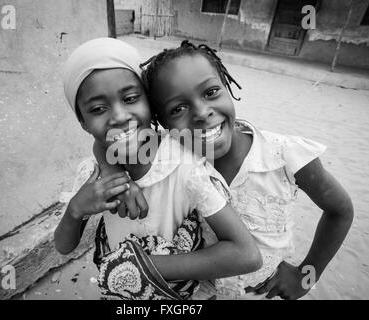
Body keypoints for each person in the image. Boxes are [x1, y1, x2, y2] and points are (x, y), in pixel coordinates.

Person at [101, 40, 354, 300]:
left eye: (210, 92)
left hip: (265, 292)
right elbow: (105, 143)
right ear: (161, 122)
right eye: (178, 109)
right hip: (200, 291)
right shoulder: (172, 150)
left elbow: (340, 210)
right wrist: (112, 174)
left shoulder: (282, 154)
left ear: (226, 86)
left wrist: (306, 275)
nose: (201, 112)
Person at [54, 38, 262, 300]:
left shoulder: (184, 166)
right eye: (98, 109)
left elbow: (247, 255)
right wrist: (75, 210)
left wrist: (143, 267)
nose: (119, 116)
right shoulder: (94, 177)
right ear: (83, 122)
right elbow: (64, 246)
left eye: (130, 98)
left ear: (150, 104)